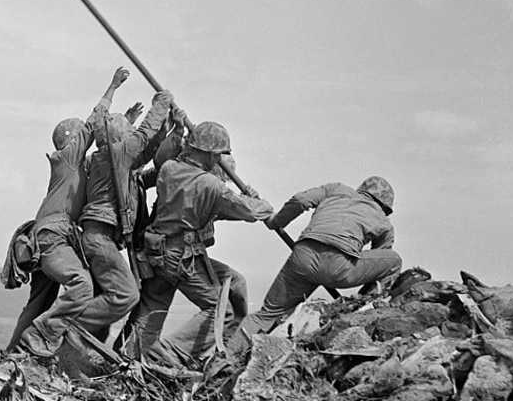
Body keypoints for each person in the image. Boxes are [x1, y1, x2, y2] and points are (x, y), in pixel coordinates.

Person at [125, 121, 273, 365]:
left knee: (155, 307)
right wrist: (260, 201)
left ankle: (132, 356)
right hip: (181, 257)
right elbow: (249, 211)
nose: (218, 161)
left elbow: (206, 206)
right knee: (221, 310)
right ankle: (170, 354)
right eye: (217, 156)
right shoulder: (211, 185)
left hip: (156, 252)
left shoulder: (169, 169)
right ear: (209, 153)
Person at [11, 67, 130, 357]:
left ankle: (13, 353)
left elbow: (108, 151)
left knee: (39, 301)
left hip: (45, 238)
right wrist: (112, 87)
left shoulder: (73, 167)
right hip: (53, 237)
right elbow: (93, 124)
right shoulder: (67, 158)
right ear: (72, 140)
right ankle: (43, 337)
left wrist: (127, 124)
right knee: (81, 284)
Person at [225, 176, 402, 357]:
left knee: (266, 315)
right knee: (394, 261)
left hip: (302, 258)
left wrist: (276, 222)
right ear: (385, 206)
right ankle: (365, 309)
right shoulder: (384, 222)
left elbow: (301, 200)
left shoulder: (336, 189)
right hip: (339, 267)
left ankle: (226, 356)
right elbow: (379, 262)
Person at [72, 88, 175, 339]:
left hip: (99, 237)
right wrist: (161, 104)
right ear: (121, 137)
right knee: (126, 294)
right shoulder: (116, 154)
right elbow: (144, 135)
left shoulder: (108, 158)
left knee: (106, 302)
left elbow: (146, 151)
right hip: (100, 237)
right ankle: (68, 327)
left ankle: (81, 345)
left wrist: (167, 130)